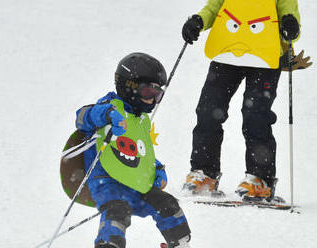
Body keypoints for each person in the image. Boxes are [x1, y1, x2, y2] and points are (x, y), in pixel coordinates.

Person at [181, 0, 301, 202]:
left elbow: (289, 11)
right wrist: (199, 21)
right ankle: (204, 172)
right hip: (228, 52)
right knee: (209, 110)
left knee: (256, 115)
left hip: (264, 55)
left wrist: (290, 24)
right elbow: (215, 6)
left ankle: (260, 179)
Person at [75, 53, 191, 248]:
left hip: (135, 184)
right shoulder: (110, 106)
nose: (151, 101)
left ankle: (180, 244)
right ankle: (109, 244)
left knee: (167, 204)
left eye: (157, 95)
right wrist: (107, 115)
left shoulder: (141, 120)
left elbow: (140, 152)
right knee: (117, 211)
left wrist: (156, 169)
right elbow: (82, 118)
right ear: (129, 86)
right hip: (106, 181)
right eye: (148, 93)